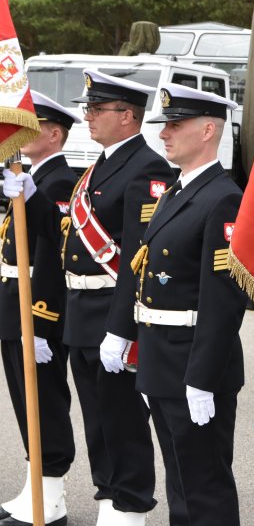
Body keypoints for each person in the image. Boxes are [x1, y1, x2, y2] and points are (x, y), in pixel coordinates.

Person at [4, 70, 174, 525]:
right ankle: (108, 499)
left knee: (122, 419)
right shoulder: (98, 166)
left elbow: (137, 257)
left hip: (110, 314)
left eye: (97, 110)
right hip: (81, 313)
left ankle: (130, 505)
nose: (88, 117)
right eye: (89, 108)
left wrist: (123, 328)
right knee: (98, 420)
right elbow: (65, 237)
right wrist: (31, 196)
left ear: (127, 117)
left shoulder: (147, 167)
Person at [104, 83, 246, 526]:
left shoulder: (222, 197)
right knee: (180, 485)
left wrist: (202, 378)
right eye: (165, 125)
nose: (164, 134)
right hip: (163, 360)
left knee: (204, 487)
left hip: (193, 364)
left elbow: (224, 301)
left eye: (176, 125)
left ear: (208, 130)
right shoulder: (177, 191)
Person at [0, 92, 78, 526]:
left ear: (53, 134)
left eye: (34, 126)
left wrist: (43, 321)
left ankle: (51, 498)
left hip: (36, 310)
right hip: (14, 305)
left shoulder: (60, 181)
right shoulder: (28, 177)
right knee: (22, 400)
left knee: (44, 402)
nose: (21, 133)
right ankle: (35, 487)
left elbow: (52, 257)